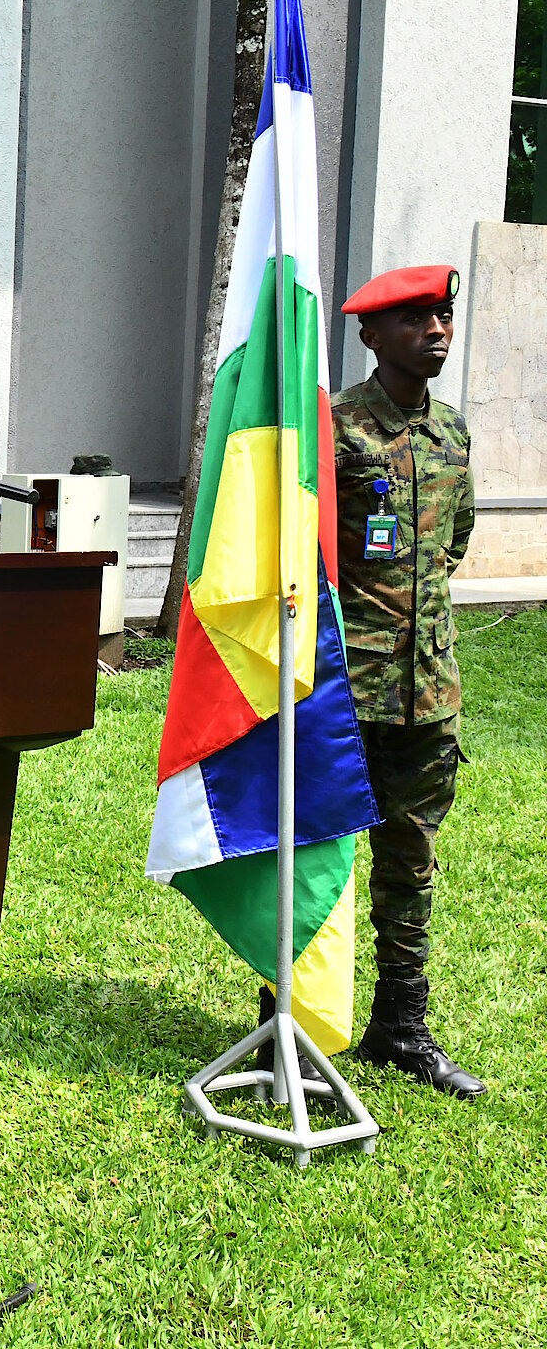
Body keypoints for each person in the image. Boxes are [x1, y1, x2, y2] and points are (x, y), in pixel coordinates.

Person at [332, 264, 483, 1098]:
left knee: (410, 861)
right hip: (343, 691)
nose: (436, 331)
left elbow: (452, 543)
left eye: (443, 317)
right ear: (372, 335)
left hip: (427, 690)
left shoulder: (451, 430)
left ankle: (399, 1027)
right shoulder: (336, 429)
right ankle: (295, 1021)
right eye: (416, 319)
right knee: (315, 857)